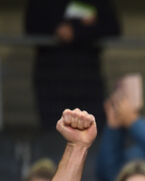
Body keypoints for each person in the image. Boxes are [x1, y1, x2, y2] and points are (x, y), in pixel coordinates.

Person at [24, 0, 120, 128]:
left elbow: (113, 27)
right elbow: (30, 26)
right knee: (55, 131)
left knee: (91, 129)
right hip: (51, 78)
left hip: (87, 79)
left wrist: (78, 32)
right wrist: (57, 30)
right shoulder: (42, 4)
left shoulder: (98, 4)